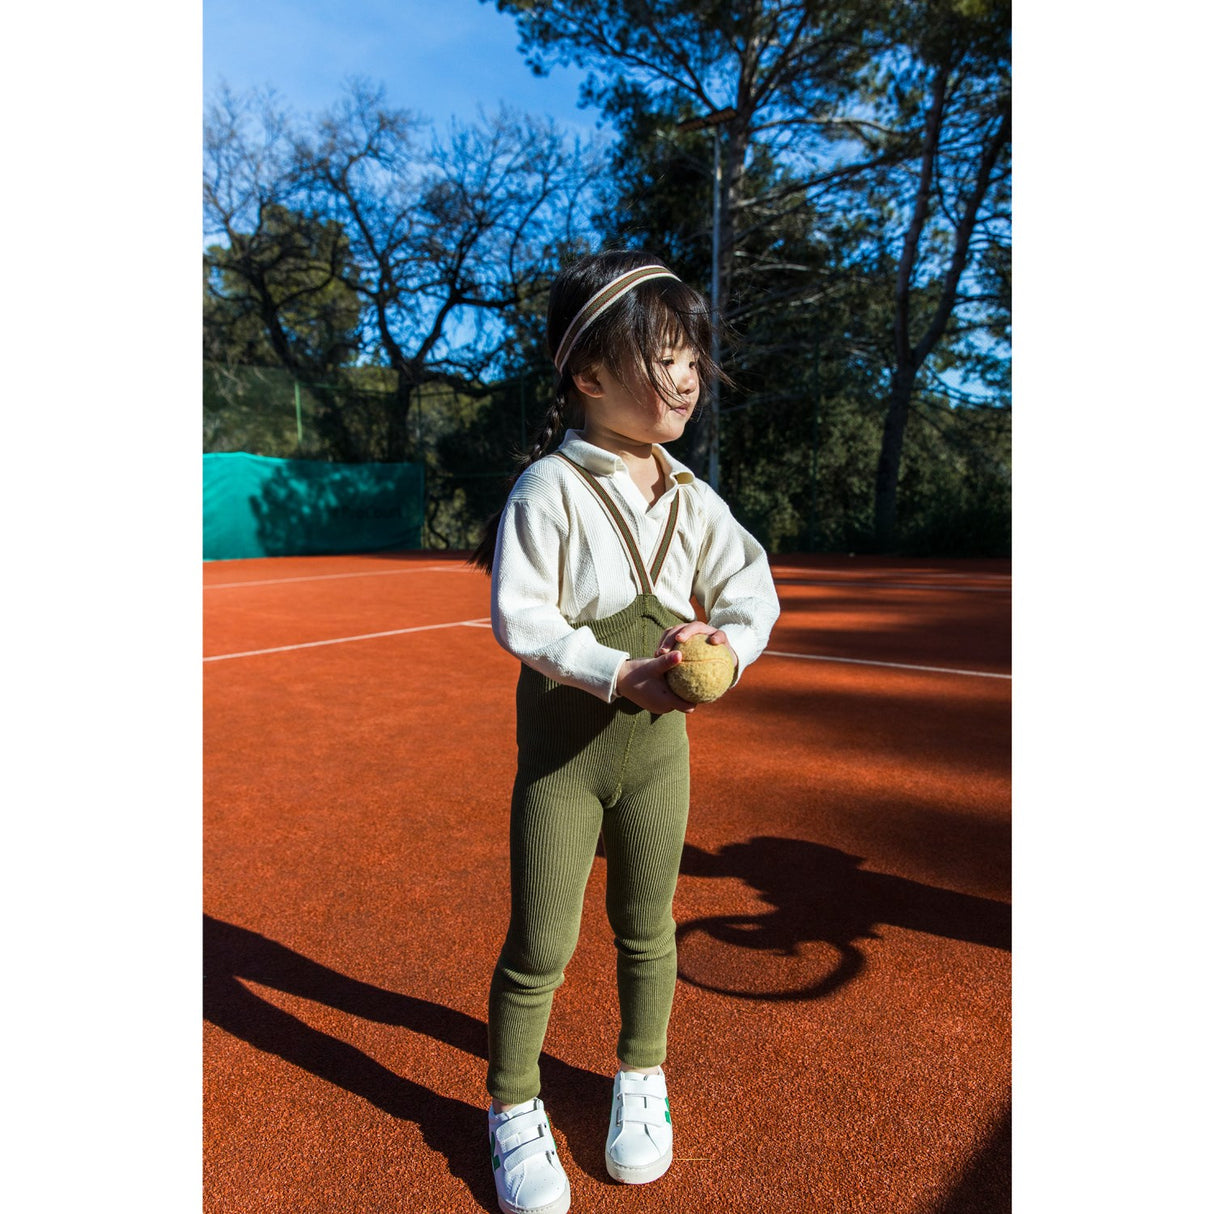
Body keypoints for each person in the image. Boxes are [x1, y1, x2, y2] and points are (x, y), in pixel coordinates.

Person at [470, 250, 780, 1214]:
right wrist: (621, 673)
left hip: (657, 761)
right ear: (590, 373)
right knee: (540, 946)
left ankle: (641, 1074)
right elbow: (522, 617)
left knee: (649, 931)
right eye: (663, 357)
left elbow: (752, 589)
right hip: (564, 761)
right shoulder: (550, 488)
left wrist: (726, 646)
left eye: (691, 358)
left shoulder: (693, 497)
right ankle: (512, 1104)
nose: (686, 378)